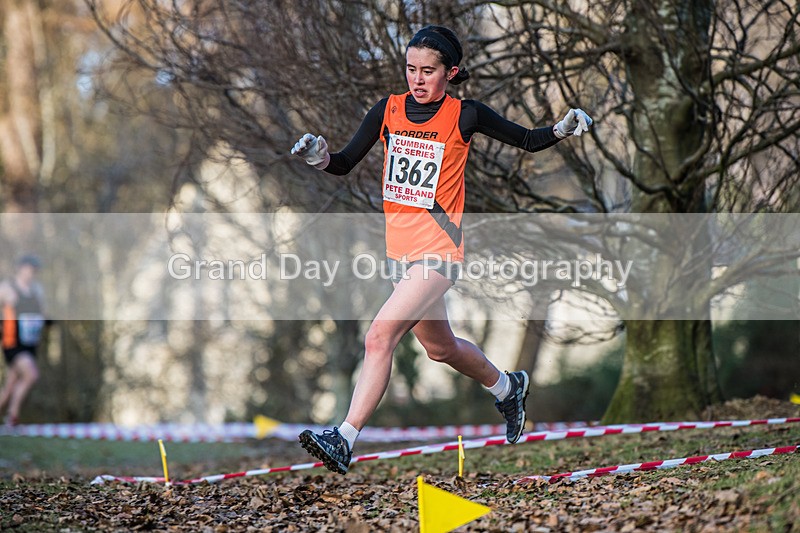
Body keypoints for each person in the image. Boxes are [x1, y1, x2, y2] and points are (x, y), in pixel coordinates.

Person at [291, 25, 592, 474]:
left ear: (449, 72)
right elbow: (345, 163)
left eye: (428, 71)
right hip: (402, 255)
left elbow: (527, 139)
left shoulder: (465, 115)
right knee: (441, 349)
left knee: (379, 336)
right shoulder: (387, 110)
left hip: (439, 252)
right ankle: (508, 388)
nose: (417, 78)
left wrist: (561, 129)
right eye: (411, 69)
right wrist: (320, 155)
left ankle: (344, 437)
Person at [0, 255, 47, 426]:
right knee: (31, 374)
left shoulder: (36, 291)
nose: (32, 273)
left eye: (35, 270)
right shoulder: (7, 287)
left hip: (30, 344)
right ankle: (13, 415)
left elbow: (41, 314)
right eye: (29, 268)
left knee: (9, 388)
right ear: (21, 267)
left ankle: (9, 415)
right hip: (12, 342)